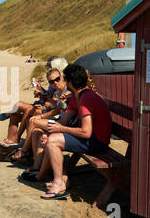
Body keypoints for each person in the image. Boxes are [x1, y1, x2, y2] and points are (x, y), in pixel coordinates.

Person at [39, 64, 112, 200]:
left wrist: (59, 130)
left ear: (71, 82)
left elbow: (86, 132)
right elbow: (63, 121)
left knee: (53, 142)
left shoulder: (86, 99)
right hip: (92, 138)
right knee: (51, 139)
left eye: (65, 79)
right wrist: (49, 133)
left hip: (97, 141)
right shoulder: (79, 96)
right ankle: (61, 180)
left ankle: (58, 183)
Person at [9, 68, 73, 162]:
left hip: (64, 123)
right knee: (36, 130)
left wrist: (41, 115)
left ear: (62, 77)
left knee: (33, 120)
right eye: (51, 82)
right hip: (60, 119)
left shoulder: (67, 92)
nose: (55, 82)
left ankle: (24, 150)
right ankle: (36, 162)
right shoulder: (60, 91)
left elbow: (60, 109)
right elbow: (57, 109)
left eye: (57, 79)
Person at [0, 56, 59, 148]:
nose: (47, 67)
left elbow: (52, 101)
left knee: (21, 106)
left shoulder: (57, 80)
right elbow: (47, 96)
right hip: (44, 105)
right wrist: (40, 89)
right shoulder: (53, 79)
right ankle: (12, 140)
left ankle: (15, 136)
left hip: (48, 110)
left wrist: (42, 95)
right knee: (15, 114)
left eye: (48, 65)